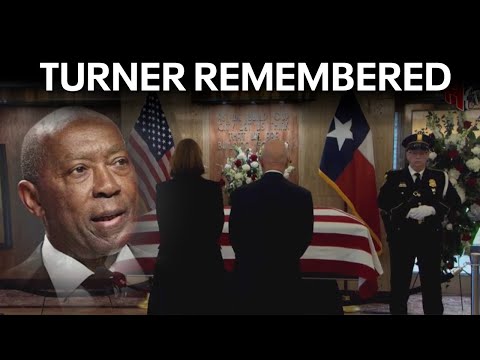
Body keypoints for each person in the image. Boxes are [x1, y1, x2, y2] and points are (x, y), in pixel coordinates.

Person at [0, 107, 143, 297]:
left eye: (119, 162)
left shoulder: (182, 276)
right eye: (79, 169)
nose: (108, 186)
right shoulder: (9, 291)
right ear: (33, 199)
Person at [378, 133, 461, 315]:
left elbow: (454, 201)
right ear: (407, 155)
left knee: (431, 284)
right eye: (413, 153)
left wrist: (432, 209)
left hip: (429, 237)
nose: (418, 157)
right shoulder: (394, 177)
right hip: (402, 238)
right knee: (399, 283)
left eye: (422, 153)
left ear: (428, 155)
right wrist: (404, 211)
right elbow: (383, 202)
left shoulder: (440, 178)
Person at [229, 139, 314, 314]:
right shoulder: (302, 196)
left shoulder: (241, 195)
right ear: (287, 162)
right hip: (287, 281)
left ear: (260, 162)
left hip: (249, 282)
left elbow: (235, 237)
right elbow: (304, 238)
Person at [147, 138, 225, 315]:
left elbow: (165, 228)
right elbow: (216, 228)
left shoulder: (164, 190)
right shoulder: (212, 190)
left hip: (172, 266)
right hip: (206, 266)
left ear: (176, 160)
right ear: (199, 159)